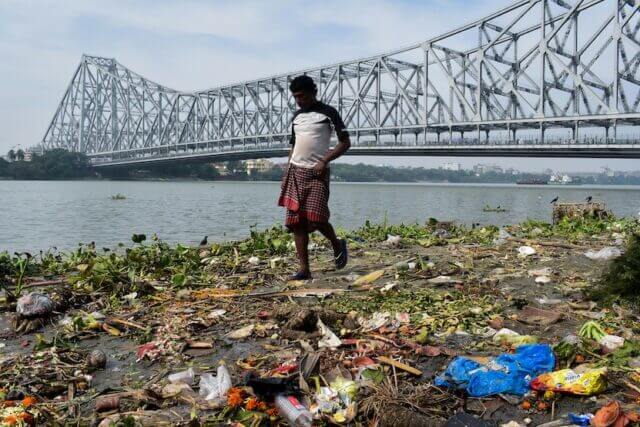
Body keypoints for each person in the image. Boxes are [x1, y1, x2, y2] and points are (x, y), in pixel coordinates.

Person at [278, 75, 351, 280]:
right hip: (295, 171)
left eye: (301, 95)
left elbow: (345, 143)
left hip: (318, 172)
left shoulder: (329, 113)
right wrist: (288, 166)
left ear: (313, 92)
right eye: (295, 97)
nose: (298, 100)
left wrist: (324, 161)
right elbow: (294, 144)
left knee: (317, 218)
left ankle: (337, 244)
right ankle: (304, 270)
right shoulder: (296, 117)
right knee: (297, 223)